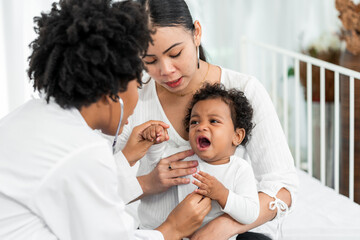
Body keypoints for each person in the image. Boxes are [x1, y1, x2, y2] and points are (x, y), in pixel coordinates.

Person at [0, 0, 211, 239]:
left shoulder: (32, 115)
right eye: (138, 78)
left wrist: (128, 157)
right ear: (114, 88)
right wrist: (172, 229)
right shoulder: (82, 151)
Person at [115, 0, 299, 239]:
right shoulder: (132, 99)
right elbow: (102, 190)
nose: (166, 69)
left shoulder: (244, 89)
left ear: (197, 34)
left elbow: (283, 188)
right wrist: (149, 183)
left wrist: (222, 227)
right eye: (150, 61)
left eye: (175, 53)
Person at [139, 83, 260, 240]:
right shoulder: (185, 158)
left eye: (214, 121)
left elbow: (251, 213)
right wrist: (155, 140)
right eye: (195, 122)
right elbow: (157, 161)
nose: (201, 127)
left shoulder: (239, 169)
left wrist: (222, 194)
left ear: (237, 136)